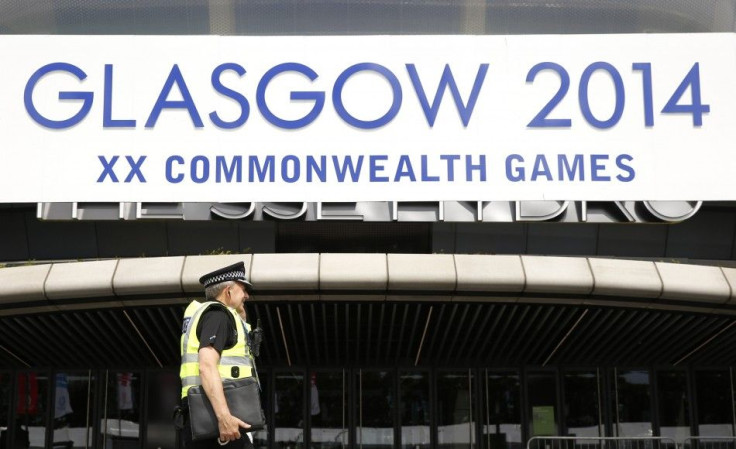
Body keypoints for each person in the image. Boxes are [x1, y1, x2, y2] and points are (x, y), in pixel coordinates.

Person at [178, 261, 259, 449]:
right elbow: (206, 365)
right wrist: (224, 418)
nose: (247, 295)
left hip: (208, 417)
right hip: (218, 422)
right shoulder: (218, 317)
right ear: (228, 291)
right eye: (243, 289)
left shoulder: (214, 316)